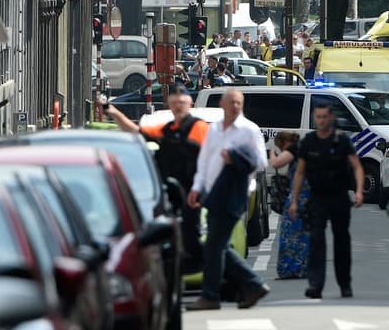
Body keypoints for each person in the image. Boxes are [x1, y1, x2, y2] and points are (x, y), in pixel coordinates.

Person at [97, 85, 209, 274]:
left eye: (182, 102)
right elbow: (135, 131)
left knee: (193, 238)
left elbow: (212, 160)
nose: (179, 105)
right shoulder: (166, 130)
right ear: (169, 105)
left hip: (193, 193)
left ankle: (233, 279)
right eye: (174, 102)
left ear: (190, 103)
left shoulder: (201, 128)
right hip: (170, 195)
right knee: (177, 240)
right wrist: (112, 111)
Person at [186, 89, 270, 310]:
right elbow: (204, 161)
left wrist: (235, 157)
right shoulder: (213, 128)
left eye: (238, 103)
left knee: (214, 245)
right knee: (218, 245)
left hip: (234, 192)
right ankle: (252, 284)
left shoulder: (249, 129)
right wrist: (196, 187)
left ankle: (212, 295)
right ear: (222, 103)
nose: (235, 106)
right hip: (212, 193)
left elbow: (261, 162)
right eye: (231, 102)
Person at [288, 104, 364, 299]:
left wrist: (359, 191)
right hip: (318, 197)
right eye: (318, 117)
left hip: (339, 196)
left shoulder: (341, 140)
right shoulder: (309, 142)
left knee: (341, 241)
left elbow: (357, 166)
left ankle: (345, 284)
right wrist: (294, 201)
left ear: (330, 118)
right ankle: (315, 284)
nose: (321, 120)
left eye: (324, 117)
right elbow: (300, 172)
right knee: (316, 240)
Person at [269, 131, 309, 279]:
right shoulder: (303, 149)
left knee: (288, 233)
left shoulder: (294, 149)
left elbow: (276, 163)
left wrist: (272, 153)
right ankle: (301, 268)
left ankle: (287, 269)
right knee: (303, 234)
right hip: (307, 197)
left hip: (297, 196)